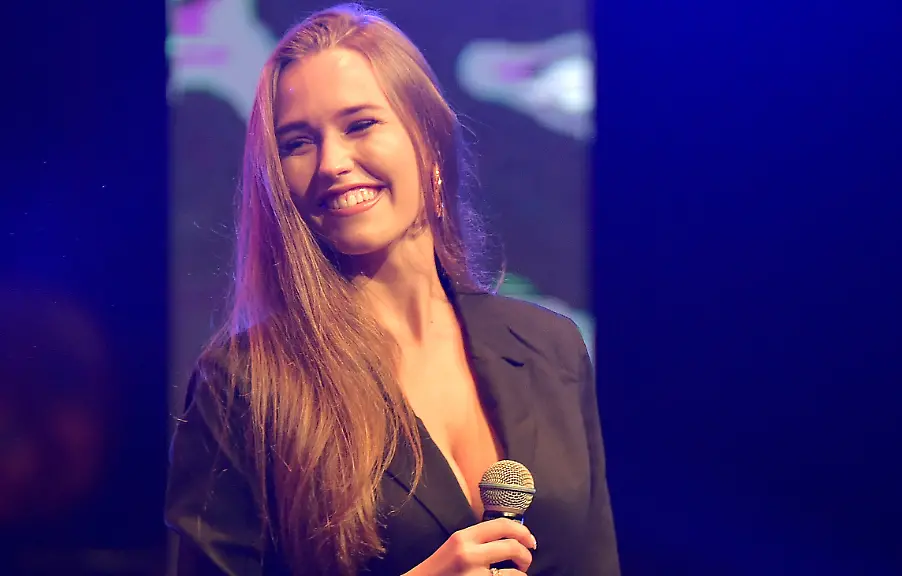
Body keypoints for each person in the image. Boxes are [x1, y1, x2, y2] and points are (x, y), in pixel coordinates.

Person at [164, 4, 618, 575]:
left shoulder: (551, 348)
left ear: (429, 144)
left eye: (360, 125)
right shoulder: (245, 386)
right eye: (298, 142)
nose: (332, 162)